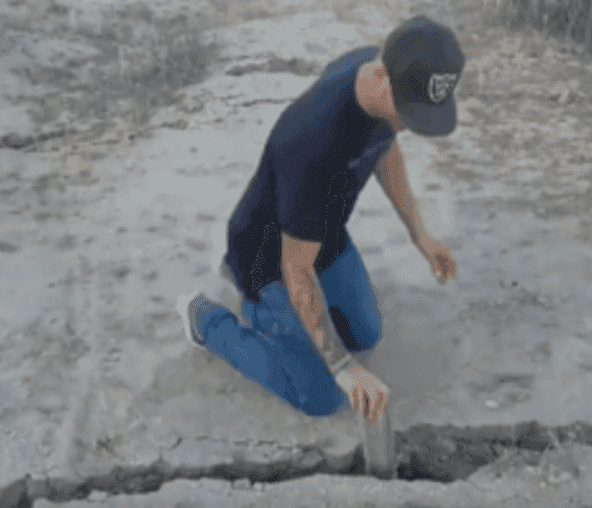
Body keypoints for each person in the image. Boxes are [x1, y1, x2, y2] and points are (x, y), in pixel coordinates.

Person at [176, 15, 461, 424]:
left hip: (321, 232)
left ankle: (295, 330)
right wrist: (343, 369)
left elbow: (385, 152)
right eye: (408, 112)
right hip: (268, 257)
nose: (408, 124)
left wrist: (421, 235)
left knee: (366, 335)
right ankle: (208, 319)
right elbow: (296, 270)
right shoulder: (310, 141)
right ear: (381, 77)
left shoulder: (374, 72)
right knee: (322, 395)